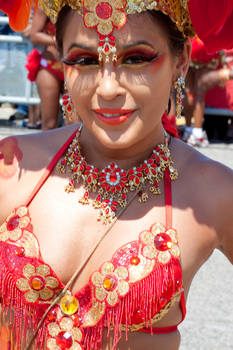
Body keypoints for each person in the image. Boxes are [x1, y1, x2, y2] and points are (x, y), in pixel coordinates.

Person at [0, 1, 233, 350]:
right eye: (84, 60)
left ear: (180, 60)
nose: (108, 89)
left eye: (136, 58)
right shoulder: (12, 166)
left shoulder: (213, 193)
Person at [183, 36, 233, 146]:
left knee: (189, 91)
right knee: (200, 92)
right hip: (204, 46)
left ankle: (188, 130)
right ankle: (197, 133)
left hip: (189, 43)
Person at [26, 7, 64, 130]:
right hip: (50, 66)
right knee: (49, 124)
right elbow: (34, 35)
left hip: (75, 67)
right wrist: (59, 41)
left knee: (74, 124)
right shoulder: (46, 4)